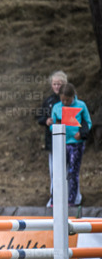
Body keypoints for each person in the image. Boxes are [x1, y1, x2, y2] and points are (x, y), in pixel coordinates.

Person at [48, 83, 91, 207]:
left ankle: (71, 200)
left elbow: (88, 122)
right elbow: (53, 125)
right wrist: (51, 124)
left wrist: (81, 133)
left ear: (73, 96)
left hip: (75, 144)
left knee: (72, 172)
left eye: (68, 100)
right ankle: (55, 199)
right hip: (60, 143)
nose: (65, 102)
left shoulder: (81, 105)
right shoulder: (56, 107)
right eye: (63, 100)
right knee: (58, 172)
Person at [36, 70, 67, 205]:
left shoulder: (69, 99)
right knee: (53, 171)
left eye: (59, 84)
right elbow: (39, 117)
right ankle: (54, 198)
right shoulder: (48, 100)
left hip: (68, 141)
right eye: (54, 84)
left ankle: (69, 197)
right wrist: (46, 121)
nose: (56, 87)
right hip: (51, 141)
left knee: (66, 171)